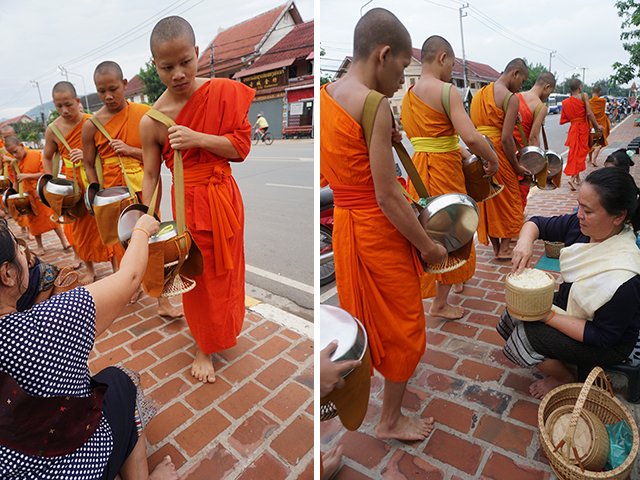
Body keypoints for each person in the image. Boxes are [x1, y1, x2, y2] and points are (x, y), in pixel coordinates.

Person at [320, 8, 447, 441]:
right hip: (377, 227)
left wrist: (383, 139)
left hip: (344, 224)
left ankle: (362, 401)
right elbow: (388, 194)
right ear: (384, 54)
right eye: (402, 67)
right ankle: (389, 420)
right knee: (405, 324)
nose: (403, 80)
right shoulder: (373, 102)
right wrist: (428, 247)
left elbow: (346, 165)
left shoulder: (327, 94)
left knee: (366, 320)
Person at [0, 214, 179, 479]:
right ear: (7, 273)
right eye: (19, 249)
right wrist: (141, 229)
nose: (26, 253)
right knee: (121, 379)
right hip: (77, 471)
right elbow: (129, 278)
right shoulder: (44, 324)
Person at [140, 16, 255, 383]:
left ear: (196, 52)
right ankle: (202, 345)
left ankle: (224, 329)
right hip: (188, 203)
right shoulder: (152, 120)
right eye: (167, 67)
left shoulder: (223, 92)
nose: (178, 73)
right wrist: (148, 220)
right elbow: (151, 174)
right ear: (154, 66)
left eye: (185, 62)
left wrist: (199, 139)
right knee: (199, 276)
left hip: (224, 196)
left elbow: (240, 147)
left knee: (229, 270)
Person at [501, 168, 640, 399]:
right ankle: (565, 361)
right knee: (515, 311)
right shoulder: (580, 227)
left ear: (618, 216)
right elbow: (536, 224)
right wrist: (524, 243)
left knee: (526, 336)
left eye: (587, 210)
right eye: (579, 206)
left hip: (606, 343)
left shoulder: (625, 274)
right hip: (571, 306)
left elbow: (603, 336)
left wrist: (548, 317)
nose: (579, 215)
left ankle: (565, 377)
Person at [400, 35, 499, 319]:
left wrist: (465, 151)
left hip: (418, 167)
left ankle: (451, 283)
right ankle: (440, 303)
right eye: (451, 64)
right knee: (453, 227)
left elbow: (438, 138)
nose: (450, 71)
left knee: (426, 227)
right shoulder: (446, 91)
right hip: (445, 168)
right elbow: (470, 135)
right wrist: (490, 160)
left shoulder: (409, 94)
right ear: (442, 57)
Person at [82, 60, 181, 318]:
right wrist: (95, 195)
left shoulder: (145, 114)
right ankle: (127, 286)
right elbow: (89, 164)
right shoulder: (91, 125)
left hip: (146, 188)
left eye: (113, 88)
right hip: (114, 196)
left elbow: (158, 156)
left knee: (153, 241)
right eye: (101, 90)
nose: (108, 96)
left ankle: (162, 301)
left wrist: (130, 151)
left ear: (125, 84)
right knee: (122, 245)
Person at [43, 81, 114, 282]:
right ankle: (90, 270)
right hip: (73, 190)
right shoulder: (53, 130)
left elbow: (106, 152)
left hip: (95, 180)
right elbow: (47, 156)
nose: (64, 110)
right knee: (80, 231)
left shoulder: (93, 122)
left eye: (69, 104)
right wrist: (50, 183)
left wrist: (85, 155)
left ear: (77, 101)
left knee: (106, 226)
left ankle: (116, 268)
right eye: (59, 106)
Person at [470, 58, 529, 260]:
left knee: (489, 199)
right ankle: (504, 249)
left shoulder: (479, 95)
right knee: (511, 197)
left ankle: (497, 248)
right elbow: (505, 138)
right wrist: (517, 166)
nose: (521, 85)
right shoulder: (510, 98)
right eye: (522, 80)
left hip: (481, 152)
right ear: (514, 73)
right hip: (498, 154)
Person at [4, 135, 69, 254]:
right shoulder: (14, 163)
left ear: (21, 146)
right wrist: (13, 195)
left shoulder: (36, 154)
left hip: (41, 193)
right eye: (11, 153)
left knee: (52, 218)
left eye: (16, 151)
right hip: (28, 196)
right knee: (33, 222)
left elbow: (45, 173)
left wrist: (27, 176)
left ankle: (64, 241)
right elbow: (15, 180)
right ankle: (40, 246)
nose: (15, 155)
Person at [512, 72, 556, 207]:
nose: (547, 97)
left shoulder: (515, 97)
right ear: (547, 87)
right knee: (519, 201)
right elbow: (533, 138)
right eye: (549, 93)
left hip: (506, 153)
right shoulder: (540, 106)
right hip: (522, 159)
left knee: (507, 199)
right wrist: (536, 167)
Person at [560, 78, 603, 191]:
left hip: (573, 128)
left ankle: (577, 178)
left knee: (574, 152)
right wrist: (596, 126)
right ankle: (572, 178)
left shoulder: (566, 102)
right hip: (582, 128)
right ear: (579, 87)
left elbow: (566, 118)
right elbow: (589, 113)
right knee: (581, 153)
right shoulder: (583, 96)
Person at [588, 86, 611, 167]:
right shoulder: (603, 101)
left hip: (591, 127)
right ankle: (594, 159)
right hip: (600, 126)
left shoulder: (588, 102)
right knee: (599, 143)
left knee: (591, 143)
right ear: (599, 92)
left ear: (591, 91)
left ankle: (590, 159)